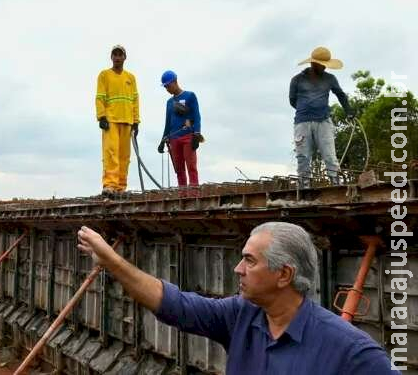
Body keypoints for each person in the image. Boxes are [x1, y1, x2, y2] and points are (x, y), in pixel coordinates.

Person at [77, 222, 399, 374]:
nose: (237, 269)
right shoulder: (241, 316)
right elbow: (174, 305)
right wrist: (112, 262)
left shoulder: (351, 352)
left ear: (284, 275)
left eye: (250, 260)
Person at [290, 46, 355, 187]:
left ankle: (337, 187)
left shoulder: (330, 79)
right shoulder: (297, 80)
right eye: (321, 65)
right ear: (313, 63)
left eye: (325, 65)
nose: (324, 67)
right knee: (303, 158)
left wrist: (349, 110)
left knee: (330, 156)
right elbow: (292, 100)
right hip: (302, 123)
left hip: (324, 122)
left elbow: (340, 95)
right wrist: (306, 110)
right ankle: (304, 191)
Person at [95, 45, 140, 197]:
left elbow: (135, 99)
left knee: (124, 156)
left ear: (124, 58)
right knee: (111, 153)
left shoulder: (130, 78)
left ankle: (121, 186)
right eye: (115, 54)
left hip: (127, 120)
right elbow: (100, 97)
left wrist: (136, 121)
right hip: (111, 120)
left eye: (120, 55)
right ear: (111, 57)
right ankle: (110, 185)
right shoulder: (104, 75)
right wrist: (101, 116)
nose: (117, 57)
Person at [157, 70, 202, 187]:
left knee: (191, 166)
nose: (167, 89)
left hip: (188, 136)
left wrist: (197, 134)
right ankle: (182, 197)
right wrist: (162, 140)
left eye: (168, 86)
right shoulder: (169, 102)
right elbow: (167, 123)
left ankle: (193, 196)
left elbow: (197, 116)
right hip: (173, 138)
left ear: (175, 81)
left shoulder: (190, 96)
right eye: (165, 87)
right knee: (179, 169)